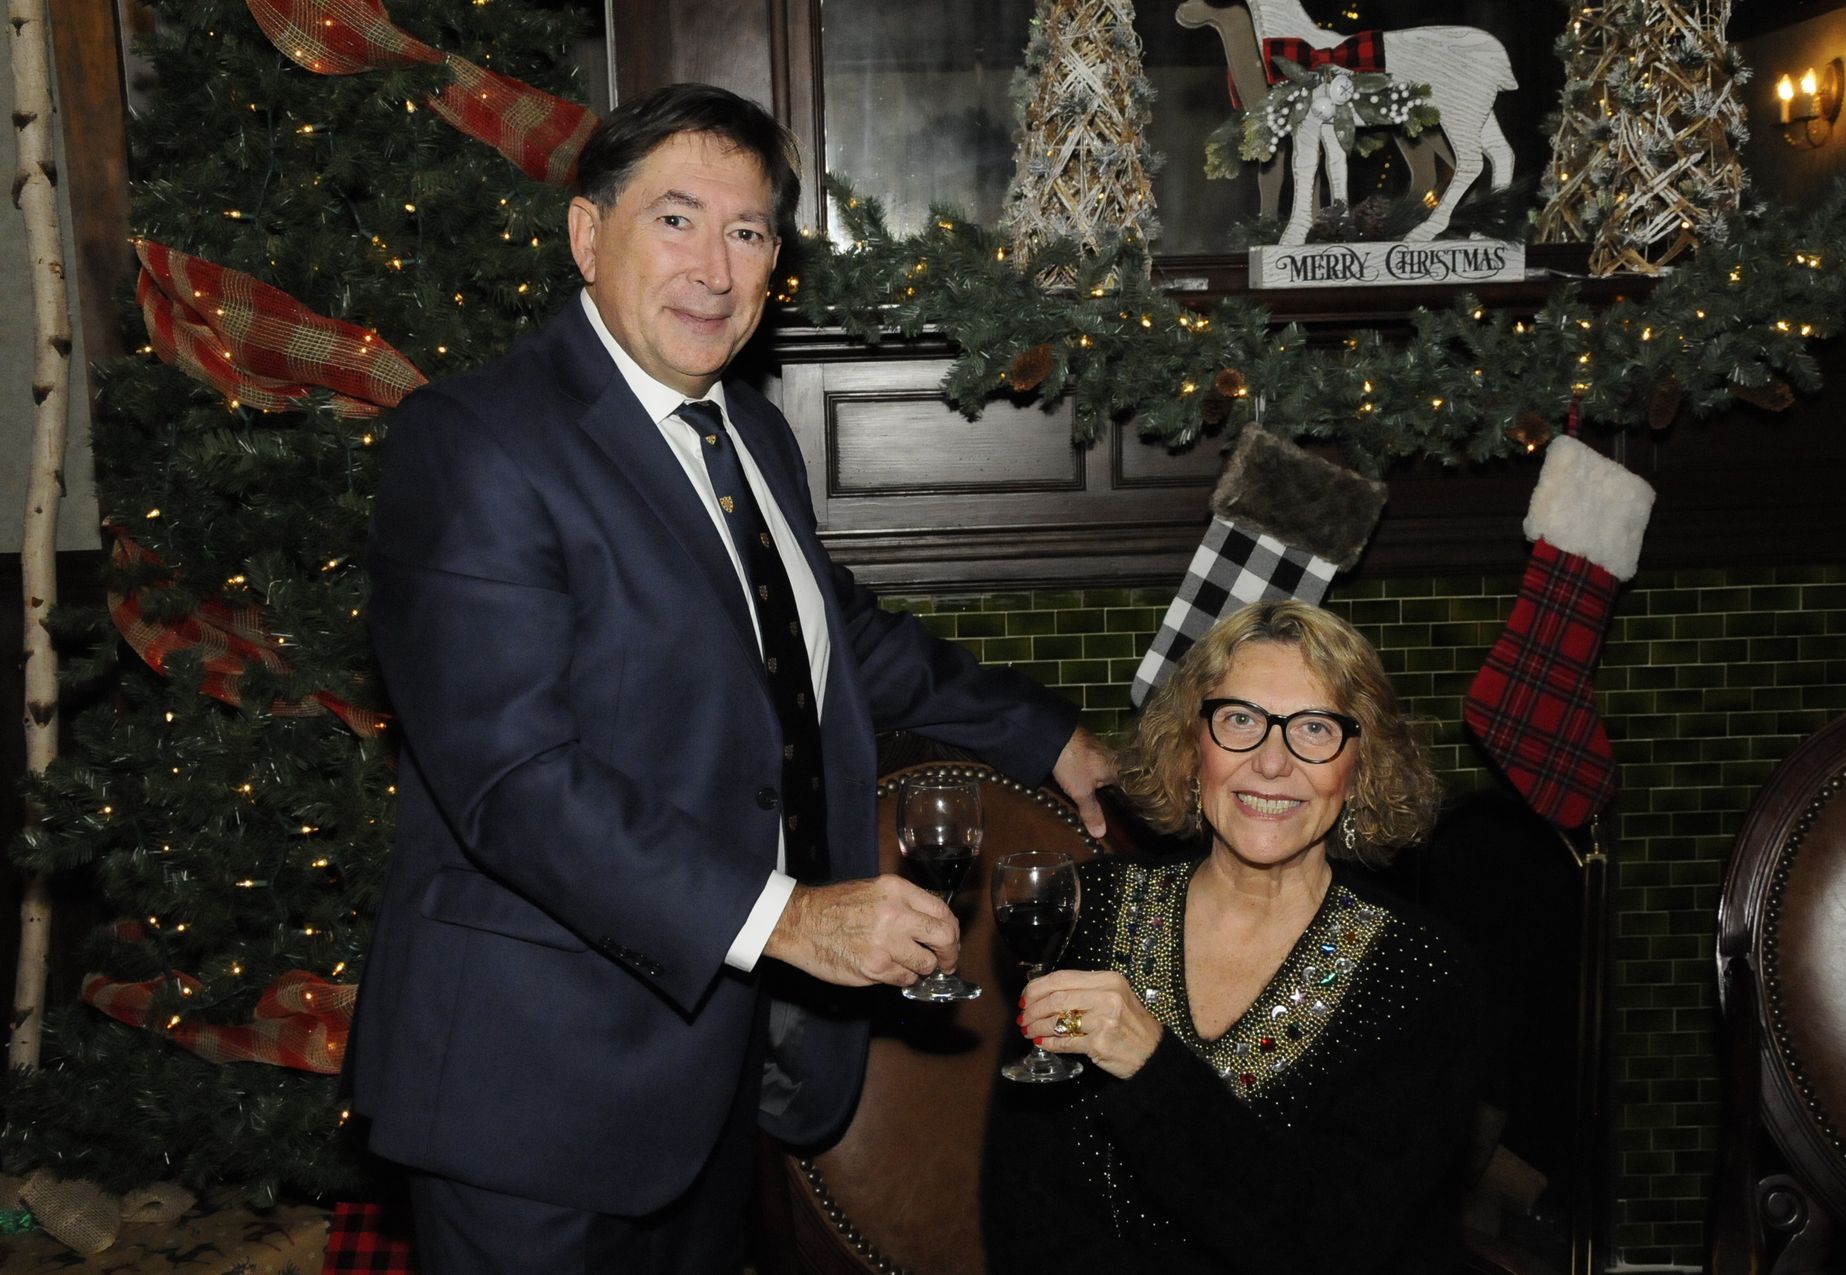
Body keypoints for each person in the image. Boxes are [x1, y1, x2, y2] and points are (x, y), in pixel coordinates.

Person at [343, 82, 1113, 1274]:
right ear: (587, 236)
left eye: (748, 232)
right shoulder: (475, 442)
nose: (715, 266)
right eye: (677, 219)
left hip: (708, 1081)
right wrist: (790, 919)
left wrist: (1046, 737)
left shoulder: (745, 433)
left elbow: (826, 637)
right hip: (534, 1094)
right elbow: (516, 782)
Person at [984, 600, 1481, 1274]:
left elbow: (1335, 1243)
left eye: (1313, 728)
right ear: (1193, 748)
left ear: (1360, 765)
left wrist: (1152, 1066)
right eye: (1240, 720)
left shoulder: (1418, 971)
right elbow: (1025, 1205)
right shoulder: (1092, 909)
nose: (1271, 763)